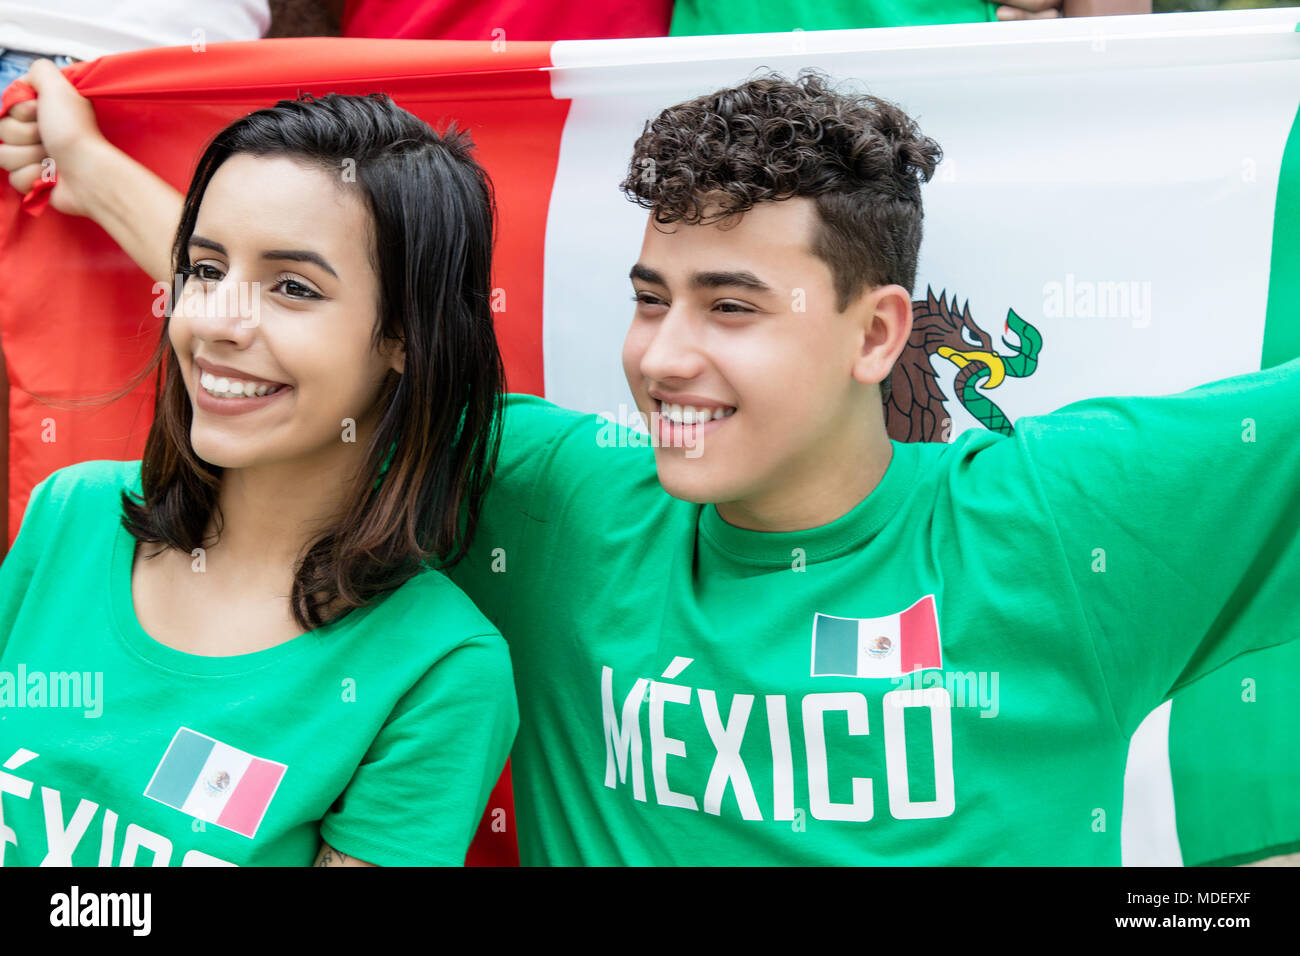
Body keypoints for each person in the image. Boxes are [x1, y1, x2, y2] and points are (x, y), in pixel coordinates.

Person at [4, 63, 1298, 865]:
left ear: (877, 332)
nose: (664, 356)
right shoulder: (565, 505)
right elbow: (309, 328)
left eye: (732, 306)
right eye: (649, 296)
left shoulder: (1061, 518)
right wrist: (94, 169)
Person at [0, 90, 517, 866]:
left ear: (408, 337)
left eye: (294, 287)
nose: (214, 320)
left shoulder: (440, 669)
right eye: (205, 269)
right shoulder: (70, 515)